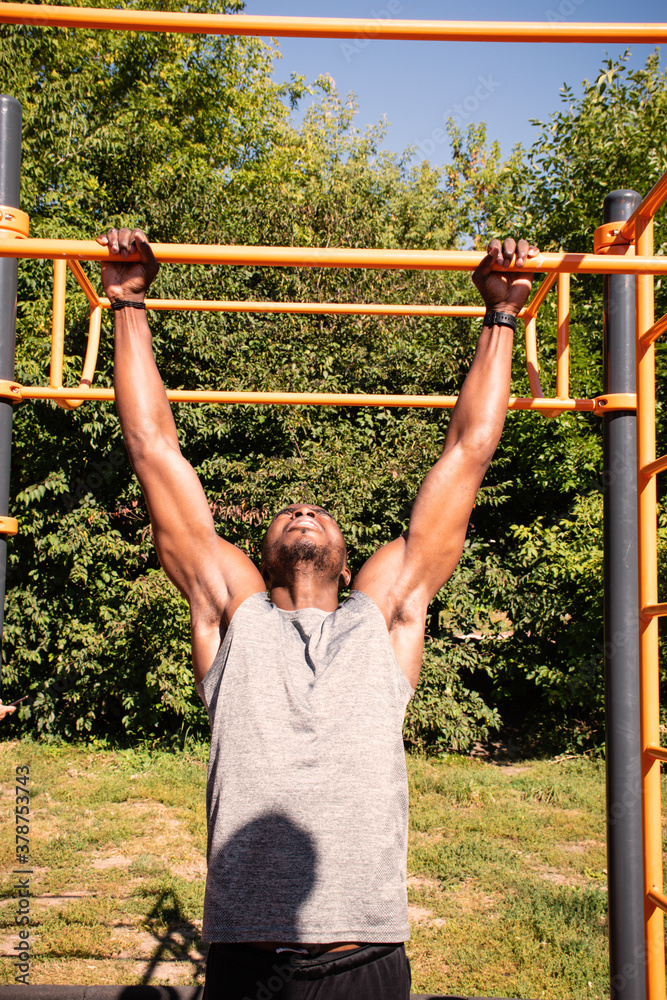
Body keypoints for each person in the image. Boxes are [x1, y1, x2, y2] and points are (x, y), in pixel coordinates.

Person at [97, 227, 539, 999]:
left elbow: (467, 451)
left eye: (318, 511)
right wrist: (128, 302)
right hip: (243, 957)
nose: (302, 509)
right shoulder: (234, 614)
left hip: (360, 955)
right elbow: (152, 447)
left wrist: (500, 316)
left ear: (347, 553)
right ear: (259, 551)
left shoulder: (387, 613)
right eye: (287, 510)